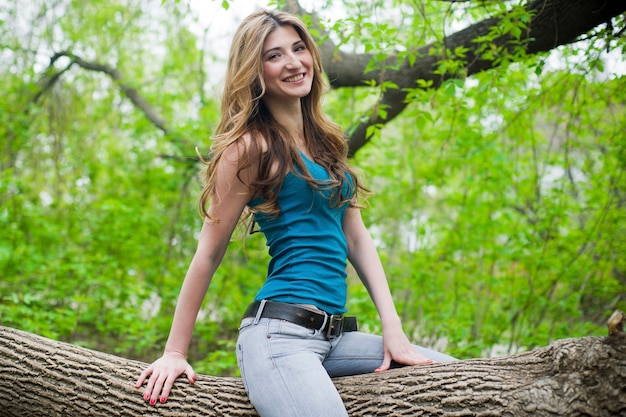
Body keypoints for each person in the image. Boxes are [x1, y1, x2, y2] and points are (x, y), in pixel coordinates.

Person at [135, 8, 455, 417]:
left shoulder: (326, 143)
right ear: (254, 71)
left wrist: (393, 328)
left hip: (337, 338)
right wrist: (174, 352)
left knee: (451, 375)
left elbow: (356, 237)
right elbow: (208, 253)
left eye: (298, 48)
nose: (293, 62)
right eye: (274, 55)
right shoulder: (249, 149)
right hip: (277, 337)